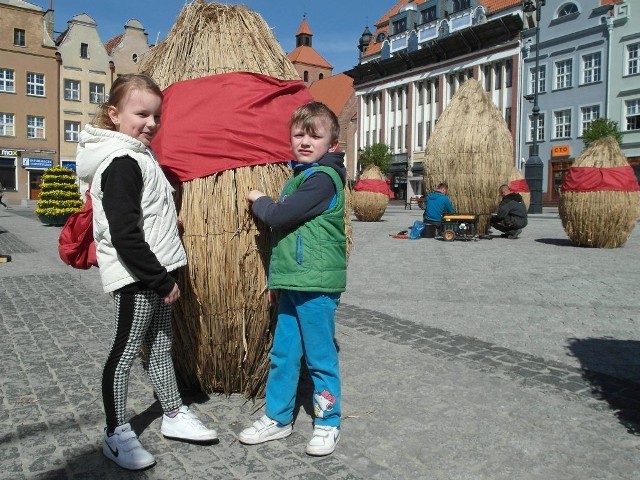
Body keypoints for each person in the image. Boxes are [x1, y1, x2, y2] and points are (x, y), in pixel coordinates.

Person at [75, 74, 217, 471]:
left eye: (156, 115)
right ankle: (116, 432)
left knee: (159, 346)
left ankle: (172, 414)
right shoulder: (121, 162)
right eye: (141, 114)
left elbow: (149, 214)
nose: (151, 123)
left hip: (156, 272)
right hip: (139, 277)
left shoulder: (139, 154)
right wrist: (160, 279)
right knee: (124, 352)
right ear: (114, 114)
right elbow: (124, 234)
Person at [240, 102, 347, 457]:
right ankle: (278, 418)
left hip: (316, 286)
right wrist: (277, 281)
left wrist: (259, 200)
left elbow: (280, 218)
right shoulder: (300, 177)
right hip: (294, 283)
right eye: (299, 134)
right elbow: (285, 243)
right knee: (284, 353)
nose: (305, 141)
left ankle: (328, 421)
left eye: (314, 135)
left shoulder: (323, 179)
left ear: (332, 144)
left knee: (320, 356)